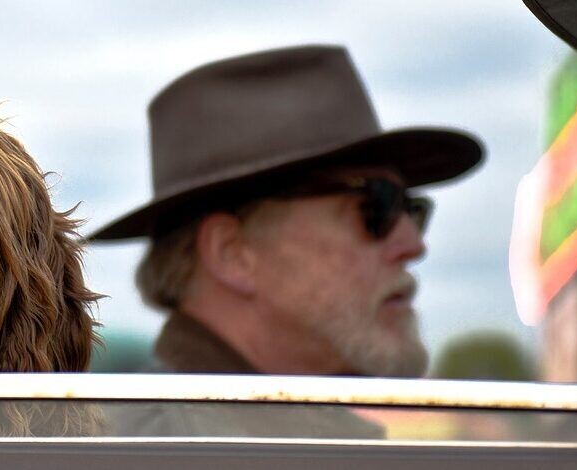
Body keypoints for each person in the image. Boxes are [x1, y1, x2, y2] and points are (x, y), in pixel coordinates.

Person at [90, 45, 484, 380]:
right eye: (376, 205)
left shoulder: (280, 439)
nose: (413, 244)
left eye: (411, 209)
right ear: (232, 253)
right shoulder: (159, 452)